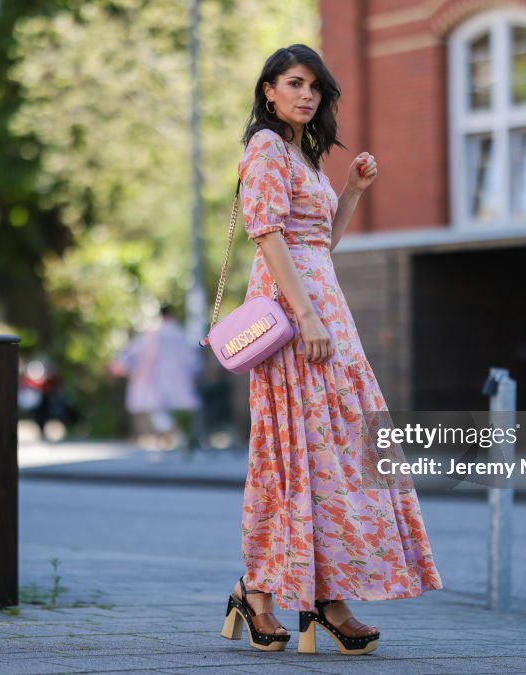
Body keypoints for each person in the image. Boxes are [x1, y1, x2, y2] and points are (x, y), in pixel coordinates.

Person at [219, 44, 443, 655]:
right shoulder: (265, 149)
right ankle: (263, 591)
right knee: (295, 456)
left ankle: (323, 595)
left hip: (326, 316)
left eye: (315, 87)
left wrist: (350, 192)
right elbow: (268, 238)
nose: (307, 95)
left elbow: (318, 243)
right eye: (294, 83)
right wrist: (309, 317)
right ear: (268, 90)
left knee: (339, 454)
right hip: (296, 322)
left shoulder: (301, 154)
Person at [111, 304, 201, 449]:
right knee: (164, 412)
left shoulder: (153, 333)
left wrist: (125, 366)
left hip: (154, 378)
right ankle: (166, 443)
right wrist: (194, 372)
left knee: (158, 412)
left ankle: (177, 438)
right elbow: (191, 358)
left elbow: (134, 352)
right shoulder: (178, 332)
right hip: (175, 378)